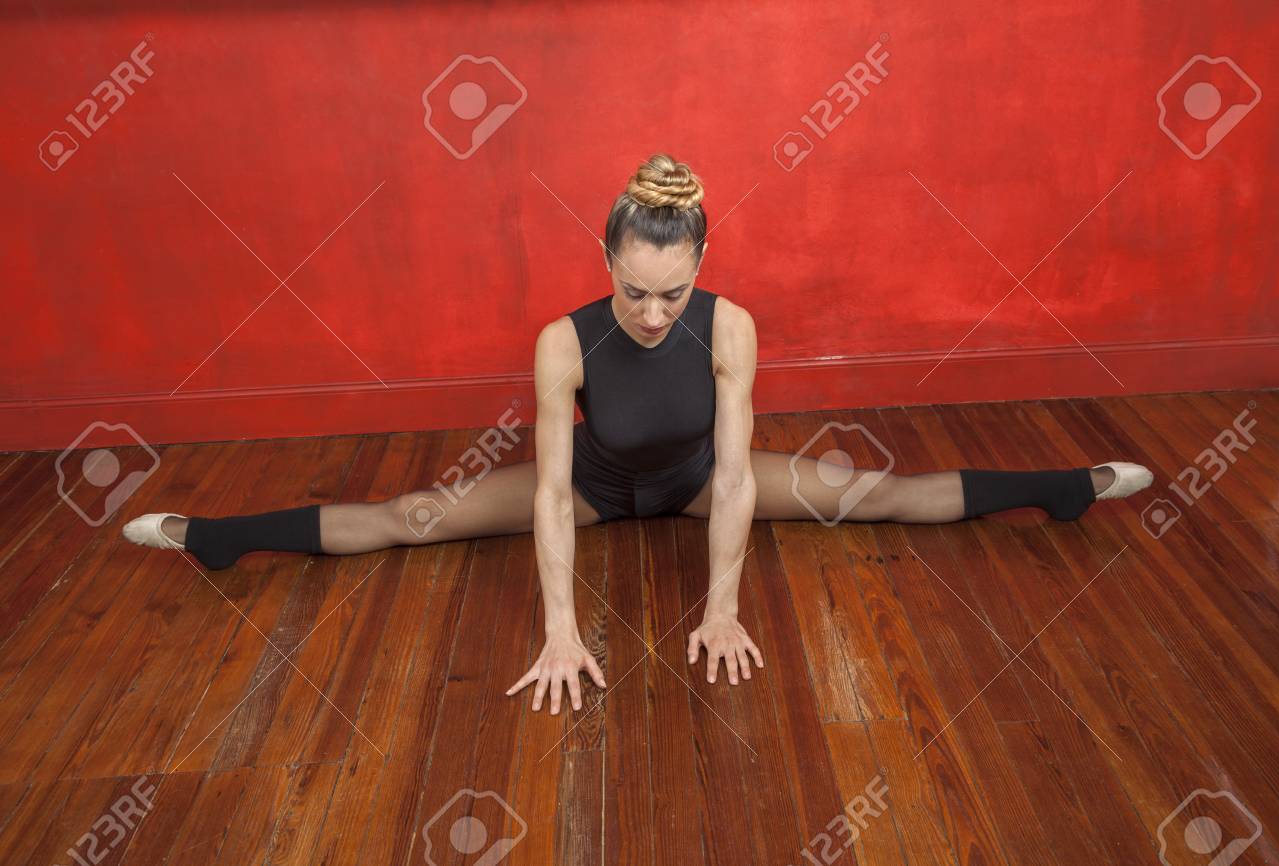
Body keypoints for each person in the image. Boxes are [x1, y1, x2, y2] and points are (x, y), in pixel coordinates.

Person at [123, 153, 1152, 715]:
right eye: (633, 290)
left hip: (700, 481)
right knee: (413, 514)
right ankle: (219, 533)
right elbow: (547, 488)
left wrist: (721, 610)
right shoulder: (562, 344)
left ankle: (1063, 484)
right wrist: (563, 629)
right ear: (604, 255)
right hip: (598, 488)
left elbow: (741, 474)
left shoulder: (731, 324)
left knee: (870, 489)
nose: (654, 314)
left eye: (675, 291)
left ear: (701, 261)